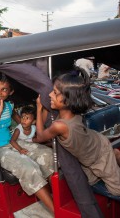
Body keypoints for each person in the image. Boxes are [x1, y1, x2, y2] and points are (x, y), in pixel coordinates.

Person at [35, 68, 120, 196]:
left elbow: (40, 136)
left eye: (55, 92)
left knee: (117, 190)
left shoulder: (59, 126)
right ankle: (115, 156)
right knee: (90, 183)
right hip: (89, 154)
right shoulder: (68, 112)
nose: (50, 95)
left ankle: (115, 155)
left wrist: (38, 107)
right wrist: (45, 108)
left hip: (100, 154)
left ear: (68, 100)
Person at [0, 73, 54, 213]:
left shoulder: (9, 106)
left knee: (48, 154)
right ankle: (56, 212)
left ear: (11, 92)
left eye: (4, 89)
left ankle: (54, 198)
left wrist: (39, 112)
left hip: (13, 142)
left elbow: (22, 123)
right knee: (29, 167)